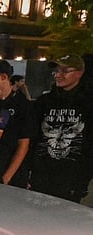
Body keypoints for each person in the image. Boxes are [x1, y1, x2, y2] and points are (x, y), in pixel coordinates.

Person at [29, 54, 92, 202]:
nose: (58, 75)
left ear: (79, 73)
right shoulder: (44, 102)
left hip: (71, 177)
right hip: (41, 175)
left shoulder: (88, 103)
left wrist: (83, 178)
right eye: (56, 71)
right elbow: (33, 136)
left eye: (64, 71)